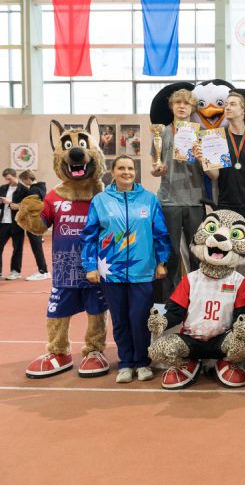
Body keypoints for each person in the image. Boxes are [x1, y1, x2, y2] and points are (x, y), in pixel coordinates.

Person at [81, 156, 171, 383]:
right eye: (121, 168)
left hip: (143, 270)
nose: (126, 172)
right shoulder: (101, 200)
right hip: (111, 271)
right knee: (120, 319)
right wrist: (90, 266)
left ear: (135, 172)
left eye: (130, 168)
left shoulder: (148, 199)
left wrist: (161, 262)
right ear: (112, 172)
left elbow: (160, 233)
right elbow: (89, 235)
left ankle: (142, 362)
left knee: (139, 318)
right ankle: (125, 363)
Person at [195, 91, 245, 319]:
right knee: (228, 254)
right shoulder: (217, 138)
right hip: (228, 205)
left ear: (243, 110)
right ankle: (229, 299)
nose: (227, 107)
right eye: (226, 104)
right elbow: (215, 175)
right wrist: (202, 159)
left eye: (233, 104)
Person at [150, 88, 206, 301]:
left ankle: (197, 295)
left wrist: (202, 158)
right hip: (169, 199)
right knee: (171, 252)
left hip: (195, 199)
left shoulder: (202, 133)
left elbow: (213, 170)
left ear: (193, 108)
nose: (182, 106)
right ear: (172, 106)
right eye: (178, 103)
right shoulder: (162, 133)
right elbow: (154, 165)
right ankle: (171, 299)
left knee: (197, 251)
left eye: (186, 103)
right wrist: (157, 170)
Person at [17, 170, 49, 281]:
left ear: (27, 179)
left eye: (23, 180)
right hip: (39, 222)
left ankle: (43, 271)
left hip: (34, 223)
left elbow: (31, 207)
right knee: (37, 248)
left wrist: (18, 207)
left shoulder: (33, 190)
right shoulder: (41, 188)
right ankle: (43, 270)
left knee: (37, 249)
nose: (23, 183)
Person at [0, 167, 30, 280]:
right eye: (6, 179)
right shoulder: (2, 188)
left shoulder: (24, 190)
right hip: (3, 223)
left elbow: (26, 207)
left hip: (17, 223)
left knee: (17, 248)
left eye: (9, 179)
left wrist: (11, 202)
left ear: (15, 176)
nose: (8, 181)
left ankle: (15, 271)